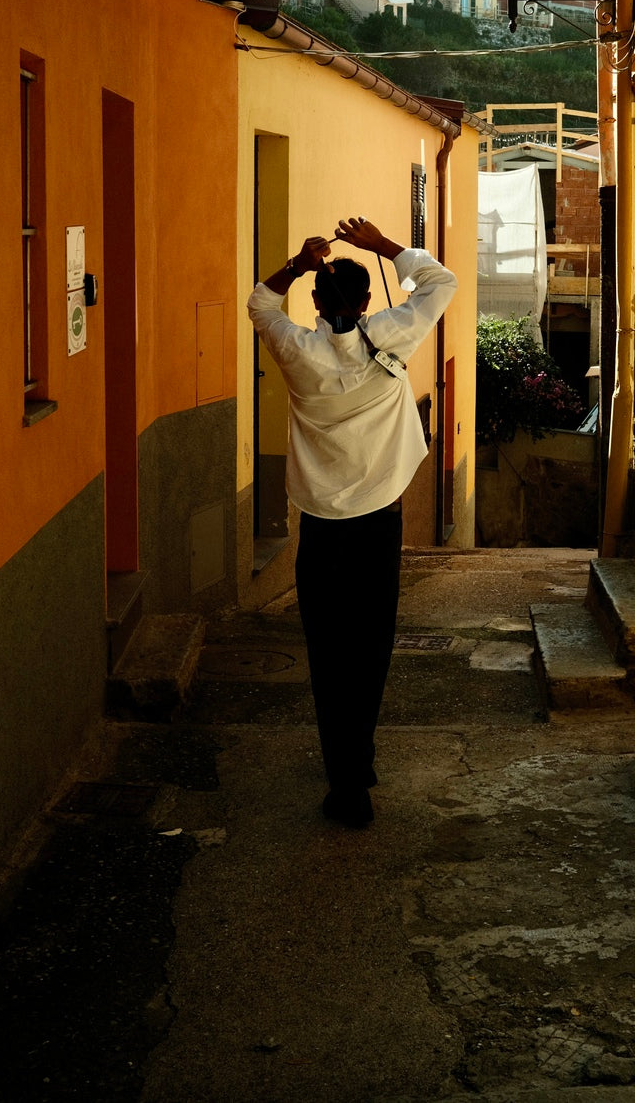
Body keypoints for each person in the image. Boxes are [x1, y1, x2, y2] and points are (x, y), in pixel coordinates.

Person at [247, 216, 457, 828]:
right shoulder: (391, 336)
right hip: (377, 525)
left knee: (327, 652)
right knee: (368, 649)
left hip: (319, 528)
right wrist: (384, 246)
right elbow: (439, 283)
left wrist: (297, 263)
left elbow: (260, 302)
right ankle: (354, 768)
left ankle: (344, 774)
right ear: (367, 300)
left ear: (313, 299)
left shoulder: (295, 350)